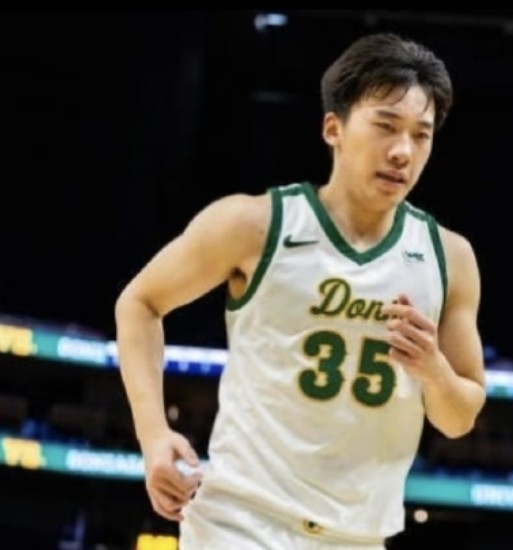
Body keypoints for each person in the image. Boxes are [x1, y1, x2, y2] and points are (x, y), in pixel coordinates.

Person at [115, 31, 486, 549]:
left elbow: (459, 417)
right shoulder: (254, 225)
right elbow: (139, 303)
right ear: (334, 128)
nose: (403, 151)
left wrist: (433, 370)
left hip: (356, 535)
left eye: (420, 135)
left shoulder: (450, 258)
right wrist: (154, 436)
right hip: (239, 521)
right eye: (385, 126)